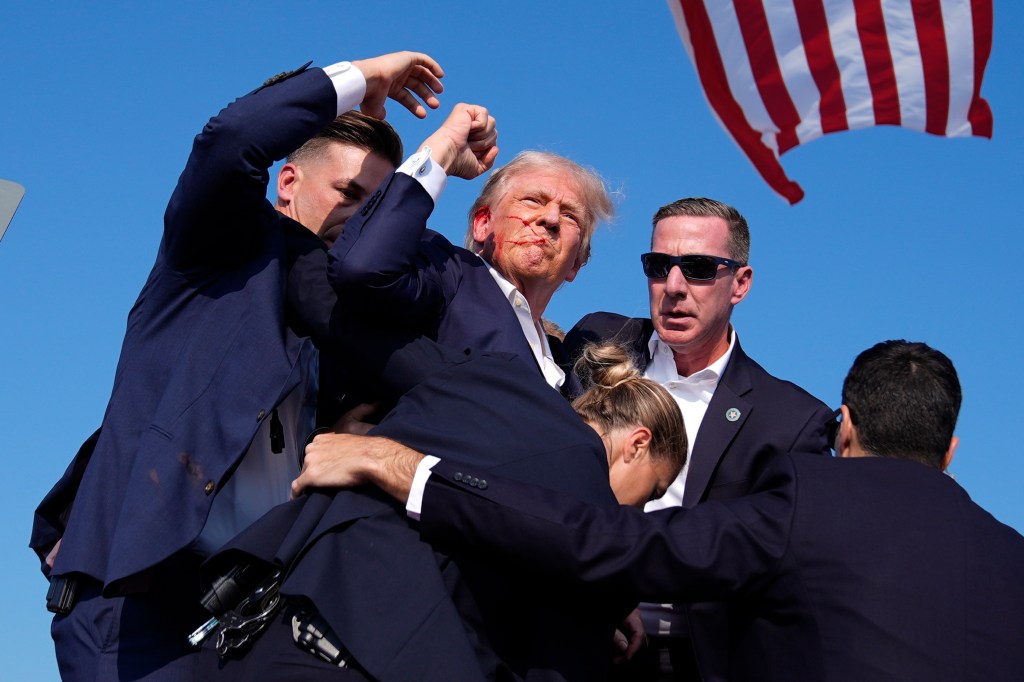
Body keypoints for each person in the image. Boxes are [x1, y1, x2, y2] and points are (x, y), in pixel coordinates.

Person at [27, 51, 498, 680]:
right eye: (347, 194)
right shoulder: (215, 251)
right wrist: (368, 77)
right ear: (288, 183)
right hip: (137, 604)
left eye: (373, 208)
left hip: (251, 611)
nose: (357, 219)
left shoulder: (347, 323)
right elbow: (231, 139)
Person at [317, 340, 1024, 681]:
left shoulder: (809, 501)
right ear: (952, 450)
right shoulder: (1010, 558)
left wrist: (408, 468)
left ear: (845, 426)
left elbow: (607, 541)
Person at [196, 336, 685, 681]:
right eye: (652, 490)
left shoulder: (492, 382)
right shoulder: (595, 519)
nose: (637, 511)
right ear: (637, 443)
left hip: (264, 628)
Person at [564, 197, 834, 678]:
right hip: (561, 629)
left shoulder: (790, 422)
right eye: (658, 265)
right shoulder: (593, 340)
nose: (673, 286)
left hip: (687, 661)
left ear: (741, 284)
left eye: (698, 268)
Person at [327, 136, 614, 397]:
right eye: (533, 200)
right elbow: (364, 269)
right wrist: (442, 152)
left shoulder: (568, 374)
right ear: (483, 224)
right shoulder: (447, 274)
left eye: (570, 216)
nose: (550, 218)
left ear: (575, 263)